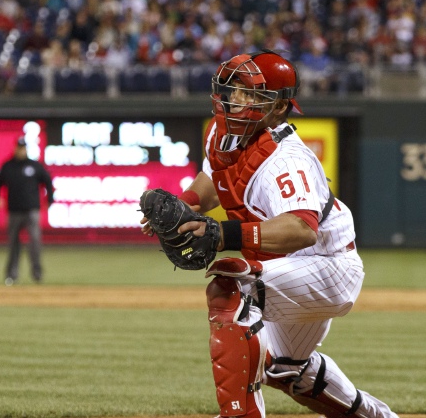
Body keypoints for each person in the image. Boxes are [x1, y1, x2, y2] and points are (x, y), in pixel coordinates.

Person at [140, 50, 397, 418]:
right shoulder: (222, 133)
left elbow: (301, 229)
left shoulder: (287, 159)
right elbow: (216, 180)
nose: (236, 100)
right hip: (288, 268)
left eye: (250, 95)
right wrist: (188, 207)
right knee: (286, 369)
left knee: (231, 288)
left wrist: (220, 234)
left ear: (278, 108)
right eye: (234, 90)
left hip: (327, 265)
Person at [0, 136, 54, 286]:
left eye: (23, 147)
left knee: (35, 243)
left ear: (26, 149)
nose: (21, 150)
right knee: (13, 244)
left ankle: (37, 274)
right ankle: (11, 276)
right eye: (19, 147)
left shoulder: (34, 166)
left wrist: (50, 199)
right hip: (14, 211)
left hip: (32, 210)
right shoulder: (8, 166)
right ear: (15, 148)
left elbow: (48, 181)